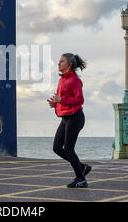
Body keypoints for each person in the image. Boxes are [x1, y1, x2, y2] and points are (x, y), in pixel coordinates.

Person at [47, 53, 92, 188]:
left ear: (69, 64)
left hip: (75, 117)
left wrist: (62, 100)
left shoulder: (75, 80)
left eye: (61, 61)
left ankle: (81, 179)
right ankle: (82, 167)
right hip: (65, 118)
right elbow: (63, 99)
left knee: (68, 148)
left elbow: (80, 100)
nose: (58, 63)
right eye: (59, 61)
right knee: (56, 148)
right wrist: (56, 103)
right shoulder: (62, 80)